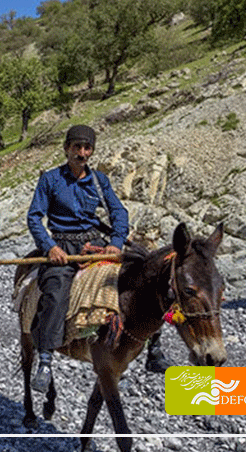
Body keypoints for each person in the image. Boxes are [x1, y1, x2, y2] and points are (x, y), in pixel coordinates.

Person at [27, 125, 159, 394]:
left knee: (140, 281)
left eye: (87, 148)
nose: (82, 153)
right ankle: (45, 359)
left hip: (96, 245)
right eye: (77, 147)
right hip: (63, 245)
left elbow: (119, 213)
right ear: (66, 149)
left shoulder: (99, 180)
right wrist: (50, 247)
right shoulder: (50, 180)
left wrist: (115, 243)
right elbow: (34, 217)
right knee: (54, 290)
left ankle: (150, 349)